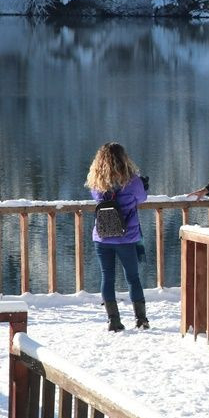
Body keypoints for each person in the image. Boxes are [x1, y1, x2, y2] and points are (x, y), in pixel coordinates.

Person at [85, 142, 149, 331]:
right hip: (126, 236)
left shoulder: (97, 180)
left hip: (103, 236)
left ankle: (113, 320)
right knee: (132, 277)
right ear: (123, 158)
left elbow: (96, 198)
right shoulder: (132, 181)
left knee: (107, 277)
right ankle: (141, 319)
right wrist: (144, 186)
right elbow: (141, 198)